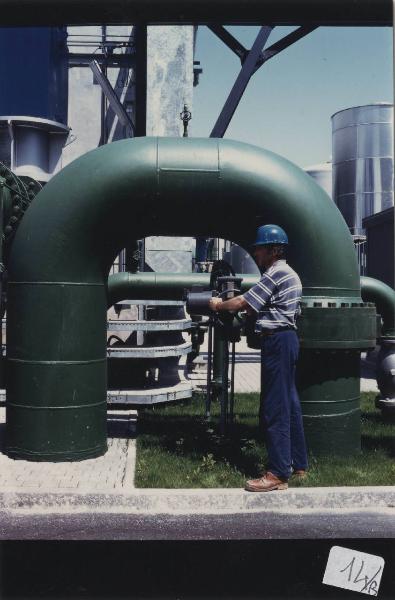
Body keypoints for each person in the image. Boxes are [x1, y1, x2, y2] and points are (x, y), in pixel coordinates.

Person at [208, 224, 308, 492]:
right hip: (286, 340)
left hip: (277, 341)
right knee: (290, 402)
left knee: (276, 406)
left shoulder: (276, 274)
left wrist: (218, 304)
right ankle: (298, 464)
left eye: (259, 249)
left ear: (273, 250)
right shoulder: (287, 273)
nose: (256, 254)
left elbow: (243, 303)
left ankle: (277, 474)